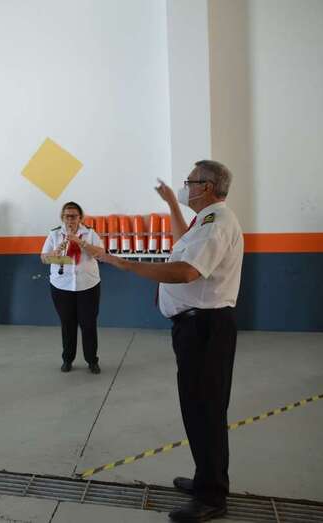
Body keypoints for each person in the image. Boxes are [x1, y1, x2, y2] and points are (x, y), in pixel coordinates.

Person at [94, 160, 243, 522]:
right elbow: (182, 246)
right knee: (198, 408)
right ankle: (206, 479)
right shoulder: (204, 222)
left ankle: (212, 496)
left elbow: (186, 271)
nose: (185, 186)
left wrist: (126, 264)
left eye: (190, 182)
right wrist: (173, 205)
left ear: (206, 187)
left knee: (205, 411)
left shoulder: (215, 223)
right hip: (197, 328)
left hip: (205, 329)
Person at [41, 202, 104, 374]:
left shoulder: (90, 233)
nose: (70, 220)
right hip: (62, 286)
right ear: (62, 218)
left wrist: (80, 242)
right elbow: (44, 258)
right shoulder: (54, 234)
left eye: (74, 216)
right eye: (67, 216)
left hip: (88, 285)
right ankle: (67, 359)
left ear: (80, 217)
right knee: (67, 325)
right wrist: (55, 252)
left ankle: (92, 360)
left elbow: (100, 254)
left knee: (88, 324)